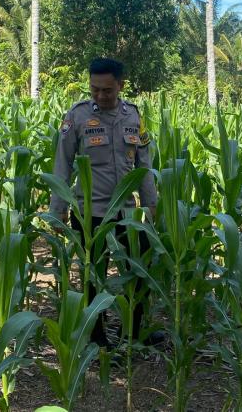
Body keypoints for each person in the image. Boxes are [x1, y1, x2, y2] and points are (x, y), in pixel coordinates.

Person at [50, 57, 158, 347]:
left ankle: (132, 333)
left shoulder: (134, 117)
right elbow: (62, 164)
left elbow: (143, 165)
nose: (100, 95)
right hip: (90, 213)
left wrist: (152, 203)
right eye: (94, 89)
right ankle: (96, 337)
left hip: (127, 213)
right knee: (92, 277)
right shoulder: (77, 117)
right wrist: (57, 209)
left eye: (107, 90)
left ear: (121, 86)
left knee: (139, 271)